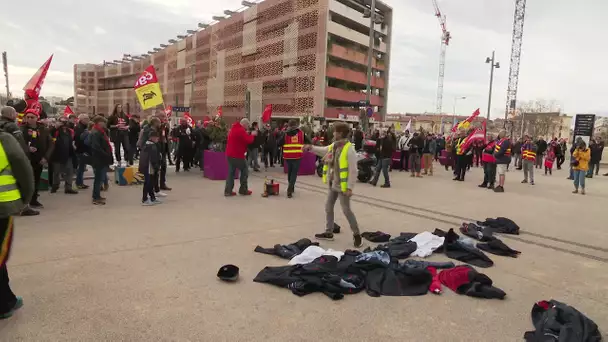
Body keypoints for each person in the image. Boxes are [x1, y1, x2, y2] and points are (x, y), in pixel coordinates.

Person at [303, 122, 361, 248]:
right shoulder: (335, 146)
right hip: (333, 183)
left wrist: (350, 187)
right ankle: (329, 232)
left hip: (343, 186)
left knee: (346, 210)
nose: (333, 133)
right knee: (328, 207)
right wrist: (310, 148)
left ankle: (357, 235)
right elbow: (323, 150)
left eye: (335, 131)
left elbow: (353, 170)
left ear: (340, 133)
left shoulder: (349, 149)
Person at [0, 131, 35, 320]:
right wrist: (24, 201)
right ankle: (4, 303)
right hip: (2, 207)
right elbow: (24, 171)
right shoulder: (4, 140)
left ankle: (7, 299)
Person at [20, 111, 53, 215]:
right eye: (28, 117)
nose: (29, 119)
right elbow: (17, 143)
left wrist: (46, 157)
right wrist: (27, 148)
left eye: (32, 117)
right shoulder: (21, 130)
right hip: (26, 159)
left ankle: (33, 200)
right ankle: (24, 203)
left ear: (36, 118)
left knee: (36, 180)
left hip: (39, 159)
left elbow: (51, 144)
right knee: (26, 181)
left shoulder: (43, 129)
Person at [225, 118, 256, 196]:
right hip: (237, 155)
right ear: (245, 124)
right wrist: (252, 135)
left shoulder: (234, 129)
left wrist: (247, 133)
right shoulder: (241, 130)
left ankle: (228, 191)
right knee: (245, 169)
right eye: (248, 126)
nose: (248, 127)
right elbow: (249, 140)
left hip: (230, 154)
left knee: (231, 173)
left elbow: (241, 136)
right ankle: (243, 189)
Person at [279, 119, 309, 198]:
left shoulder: (285, 134)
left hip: (287, 157)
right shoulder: (301, 134)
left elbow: (278, 143)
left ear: (289, 125)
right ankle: (290, 188)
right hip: (297, 156)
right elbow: (309, 141)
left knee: (290, 172)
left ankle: (291, 187)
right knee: (294, 173)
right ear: (296, 125)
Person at [89, 116, 114, 205]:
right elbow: (96, 147)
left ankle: (97, 196)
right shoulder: (96, 132)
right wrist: (105, 154)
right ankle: (95, 197)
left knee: (100, 178)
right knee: (98, 179)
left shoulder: (100, 131)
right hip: (99, 158)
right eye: (103, 122)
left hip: (101, 158)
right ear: (99, 122)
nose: (105, 124)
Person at [50, 117, 78, 194]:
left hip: (68, 154)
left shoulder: (70, 131)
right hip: (57, 154)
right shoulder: (55, 131)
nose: (64, 124)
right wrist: (55, 127)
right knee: (56, 172)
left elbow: (72, 140)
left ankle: (68, 187)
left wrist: (73, 147)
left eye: (65, 122)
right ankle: (55, 186)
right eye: (62, 122)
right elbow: (49, 135)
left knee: (69, 171)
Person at [139, 130, 162, 206]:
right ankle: (144, 199)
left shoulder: (146, 144)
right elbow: (153, 158)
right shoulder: (152, 146)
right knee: (148, 183)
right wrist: (157, 167)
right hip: (149, 167)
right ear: (153, 138)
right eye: (157, 138)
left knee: (150, 182)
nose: (157, 139)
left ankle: (152, 197)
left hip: (147, 166)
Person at [74, 114, 90, 189]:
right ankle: (79, 183)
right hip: (81, 150)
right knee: (81, 168)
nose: (88, 120)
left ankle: (80, 182)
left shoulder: (84, 127)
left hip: (83, 150)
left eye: (88, 118)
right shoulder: (78, 128)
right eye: (86, 119)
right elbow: (78, 140)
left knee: (82, 168)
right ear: (81, 120)